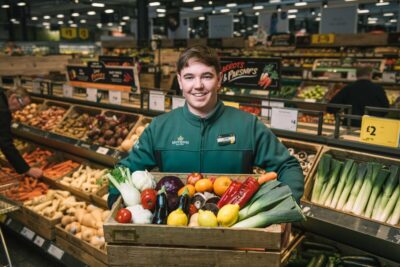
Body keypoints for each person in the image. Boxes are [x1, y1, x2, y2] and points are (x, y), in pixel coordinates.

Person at [108, 45, 304, 207]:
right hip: (175, 231)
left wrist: (284, 207)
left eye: (207, 76)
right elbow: (125, 169)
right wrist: (117, 200)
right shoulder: (160, 127)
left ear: (219, 80)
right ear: (179, 81)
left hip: (234, 232)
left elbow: (288, 166)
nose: (198, 85)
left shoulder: (247, 125)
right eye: (189, 77)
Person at [0, 87, 43, 178]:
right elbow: (5, 143)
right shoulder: (3, 111)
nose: (20, 110)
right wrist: (26, 169)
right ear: (13, 98)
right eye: (22, 105)